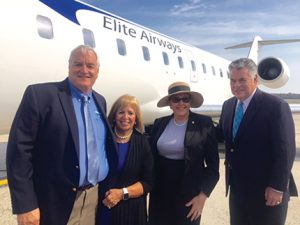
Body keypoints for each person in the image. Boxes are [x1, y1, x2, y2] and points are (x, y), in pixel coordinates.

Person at [6, 45, 118, 225]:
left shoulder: (100, 101)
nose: (84, 70)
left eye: (90, 66)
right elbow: (19, 151)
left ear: (98, 70)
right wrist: (25, 205)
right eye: (77, 64)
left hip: (92, 198)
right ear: (69, 67)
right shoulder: (40, 95)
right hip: (56, 201)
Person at [217, 58, 298, 225]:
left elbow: (285, 150)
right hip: (238, 190)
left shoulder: (275, 106)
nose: (236, 85)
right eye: (232, 80)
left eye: (242, 80)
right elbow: (220, 135)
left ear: (255, 80)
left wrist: (277, 187)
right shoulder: (228, 105)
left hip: (267, 191)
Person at [148, 81, 220, 225]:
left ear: (190, 102)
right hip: (160, 193)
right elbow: (149, 157)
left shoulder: (204, 124)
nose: (181, 103)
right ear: (170, 103)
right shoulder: (159, 123)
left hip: (189, 195)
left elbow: (213, 168)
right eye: (176, 99)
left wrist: (202, 197)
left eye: (185, 99)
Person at [97, 94, 154, 225]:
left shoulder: (142, 142)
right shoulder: (104, 138)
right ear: (114, 116)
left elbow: (148, 181)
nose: (125, 117)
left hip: (131, 212)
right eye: (121, 112)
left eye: (130, 113)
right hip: (104, 208)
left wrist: (122, 193)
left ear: (136, 118)